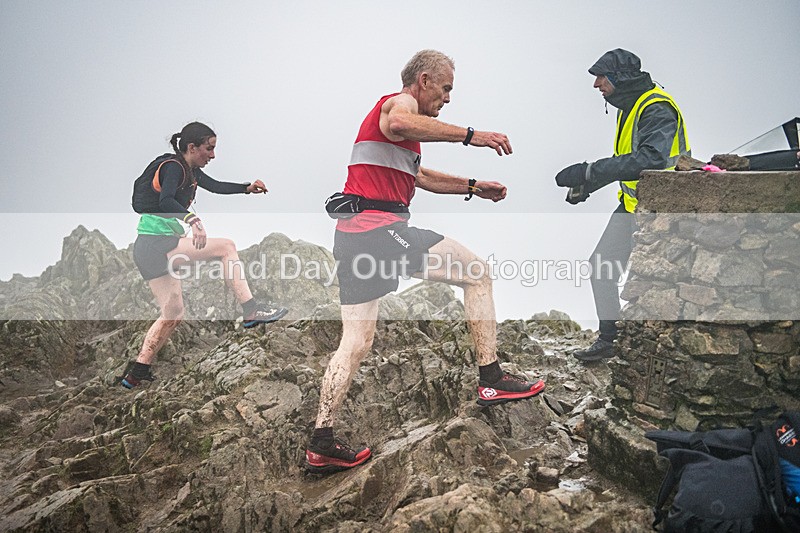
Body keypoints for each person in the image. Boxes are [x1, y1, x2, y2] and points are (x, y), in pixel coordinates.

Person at [306, 50, 545, 474]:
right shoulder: (397, 106)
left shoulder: (400, 140)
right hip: (380, 231)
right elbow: (401, 121)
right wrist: (474, 136)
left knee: (355, 344)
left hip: (352, 237)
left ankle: (320, 443)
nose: (448, 98)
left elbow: (423, 178)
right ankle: (491, 378)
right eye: (446, 88)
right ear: (424, 79)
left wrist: (474, 185)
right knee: (478, 273)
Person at [122, 121, 288, 388]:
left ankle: (138, 371)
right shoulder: (174, 168)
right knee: (226, 247)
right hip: (157, 242)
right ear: (192, 147)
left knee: (173, 313)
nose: (212, 155)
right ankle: (251, 309)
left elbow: (217, 186)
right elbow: (165, 200)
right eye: (209, 149)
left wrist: (247, 188)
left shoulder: (192, 171)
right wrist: (193, 220)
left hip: (147, 248)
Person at [554, 49, 690, 362]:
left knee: (654, 284)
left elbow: (652, 159)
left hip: (664, 211)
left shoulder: (656, 107)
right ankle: (609, 340)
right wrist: (589, 184)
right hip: (633, 204)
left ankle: (644, 349)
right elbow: (626, 161)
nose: (596, 84)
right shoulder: (629, 106)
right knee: (601, 267)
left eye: (601, 77)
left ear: (620, 78)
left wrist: (591, 170)